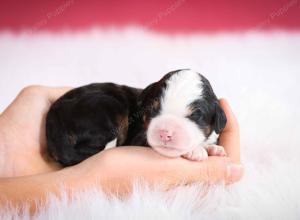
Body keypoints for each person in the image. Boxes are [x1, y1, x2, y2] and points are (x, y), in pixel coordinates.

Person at [0, 86, 243, 213]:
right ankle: (84, 152)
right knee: (107, 110)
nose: (166, 131)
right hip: (75, 125)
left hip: (63, 135)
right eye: (156, 112)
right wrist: (86, 180)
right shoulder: (130, 115)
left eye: (193, 118)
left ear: (216, 121)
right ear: (147, 103)